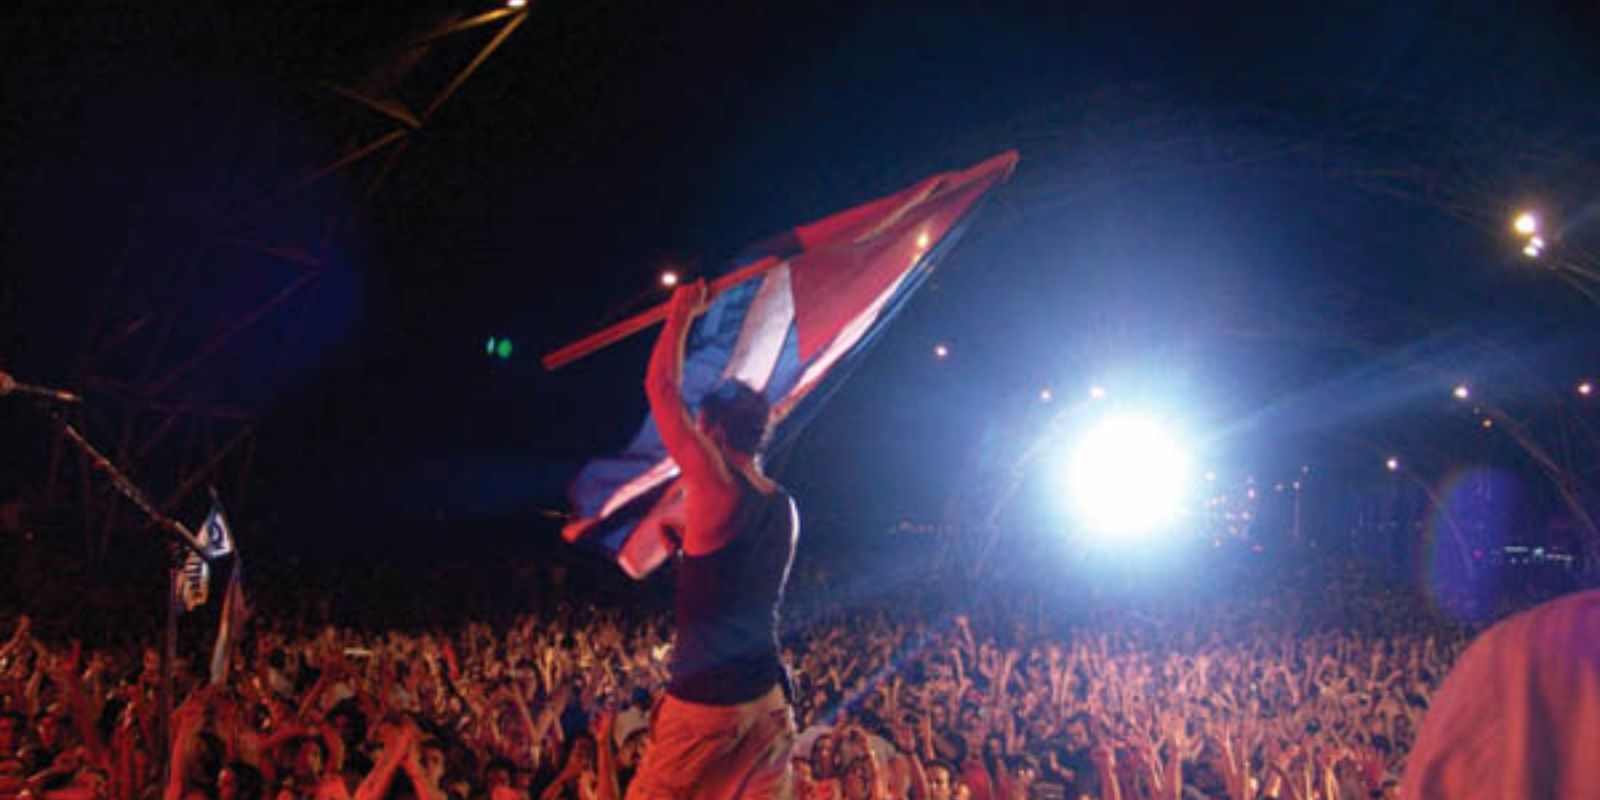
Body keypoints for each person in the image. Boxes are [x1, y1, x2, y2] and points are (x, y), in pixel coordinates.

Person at [625, 279, 801, 799]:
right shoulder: (785, 506)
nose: (696, 435)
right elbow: (734, 577)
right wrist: (686, 546)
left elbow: (660, 389)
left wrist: (680, 314)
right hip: (767, 703)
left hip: (708, 711)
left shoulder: (717, 484)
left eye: (702, 426)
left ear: (716, 431)